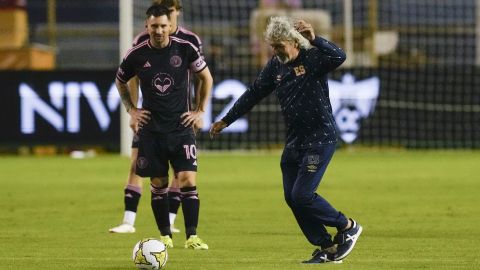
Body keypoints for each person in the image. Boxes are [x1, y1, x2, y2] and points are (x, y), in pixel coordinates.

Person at [210, 17, 362, 263]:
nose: (276, 51)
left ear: (294, 42)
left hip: (319, 138)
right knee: (292, 197)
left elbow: (340, 57)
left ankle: (348, 226)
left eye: (280, 46)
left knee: (302, 194)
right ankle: (326, 247)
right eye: (273, 47)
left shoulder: (312, 58)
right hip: (294, 141)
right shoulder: (276, 66)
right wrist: (226, 120)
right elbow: (254, 93)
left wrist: (315, 40)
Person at [115, 4, 212, 250]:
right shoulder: (136, 53)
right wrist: (131, 109)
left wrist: (200, 111)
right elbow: (120, 80)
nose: (158, 30)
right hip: (152, 130)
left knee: (188, 179)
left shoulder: (186, 48)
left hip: (181, 128)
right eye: (154, 26)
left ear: (170, 26)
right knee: (158, 183)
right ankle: (165, 236)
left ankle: (192, 236)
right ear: (147, 26)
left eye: (162, 26)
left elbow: (206, 78)